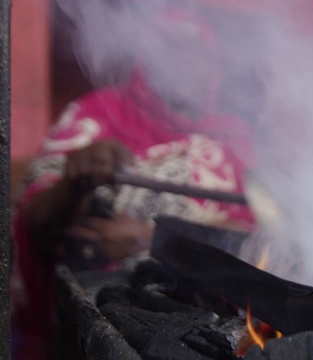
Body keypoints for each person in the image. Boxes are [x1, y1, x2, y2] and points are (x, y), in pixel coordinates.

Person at [10, 10, 256, 360]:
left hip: (198, 327)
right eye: (171, 48)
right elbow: (35, 222)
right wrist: (74, 184)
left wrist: (151, 238)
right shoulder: (97, 116)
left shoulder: (224, 140)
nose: (186, 63)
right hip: (93, 326)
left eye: (198, 52)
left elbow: (244, 239)